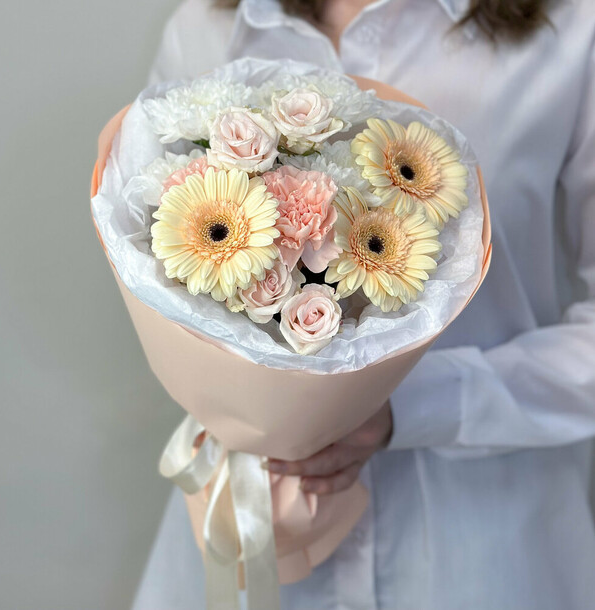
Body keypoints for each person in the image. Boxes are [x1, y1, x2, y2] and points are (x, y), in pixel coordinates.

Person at [134, 1, 595, 608]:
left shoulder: (573, 30)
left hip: (482, 547)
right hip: (248, 517)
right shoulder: (211, 27)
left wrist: (414, 405)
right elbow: (156, 252)